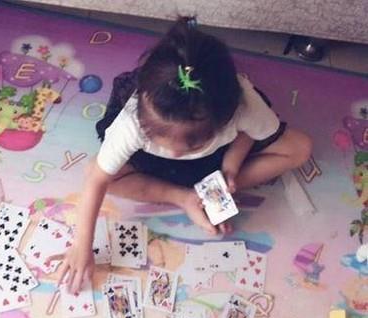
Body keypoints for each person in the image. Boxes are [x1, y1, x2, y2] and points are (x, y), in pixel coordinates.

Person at [60, 17, 312, 292]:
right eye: (160, 140)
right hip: (152, 164)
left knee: (300, 148)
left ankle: (202, 190)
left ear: (226, 119)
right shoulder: (131, 123)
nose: (175, 152)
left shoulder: (245, 105)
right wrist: (81, 244)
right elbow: (96, 180)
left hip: (215, 161)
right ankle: (185, 197)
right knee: (94, 171)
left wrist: (231, 166)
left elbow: (249, 132)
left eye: (190, 145)